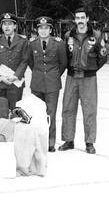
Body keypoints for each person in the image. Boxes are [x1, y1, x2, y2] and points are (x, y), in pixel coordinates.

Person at [59, 8, 108, 154]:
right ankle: (68, 140)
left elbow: (103, 57)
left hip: (89, 79)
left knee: (90, 110)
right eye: (77, 18)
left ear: (87, 19)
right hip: (71, 77)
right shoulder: (68, 35)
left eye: (82, 17)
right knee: (68, 108)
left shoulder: (96, 35)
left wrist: (91, 69)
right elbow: (64, 56)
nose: (80, 20)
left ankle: (89, 142)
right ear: (75, 20)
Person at [28, 16, 67, 152]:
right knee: (37, 113)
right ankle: (38, 141)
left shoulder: (59, 43)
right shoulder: (32, 43)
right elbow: (30, 62)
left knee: (51, 113)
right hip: (37, 83)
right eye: (40, 28)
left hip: (52, 84)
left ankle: (50, 142)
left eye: (46, 28)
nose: (43, 31)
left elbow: (63, 63)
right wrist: (40, 74)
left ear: (50, 29)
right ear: (37, 30)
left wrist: (53, 75)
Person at [0, 12, 28, 109]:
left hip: (15, 83)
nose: (7, 27)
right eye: (4, 24)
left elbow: (24, 60)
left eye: (10, 24)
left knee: (15, 113)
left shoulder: (23, 41)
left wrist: (15, 76)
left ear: (15, 26)